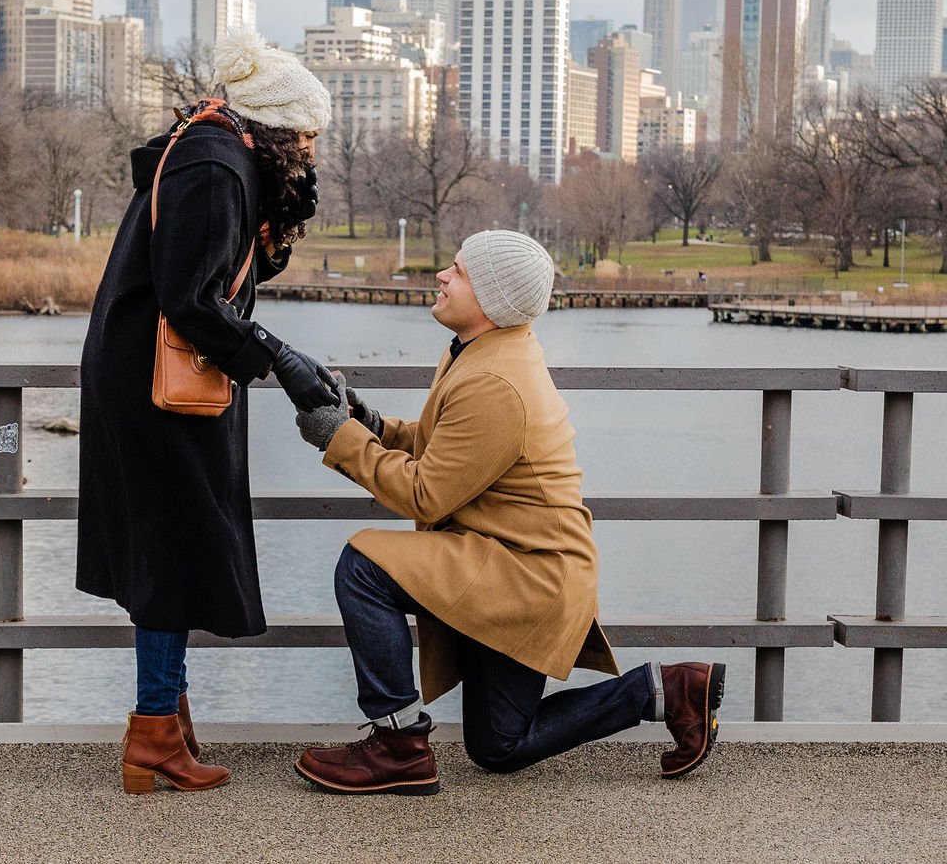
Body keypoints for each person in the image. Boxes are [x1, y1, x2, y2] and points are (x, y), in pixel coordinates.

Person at [287, 230, 724, 795]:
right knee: (498, 747)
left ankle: (396, 744)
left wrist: (341, 440)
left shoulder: (495, 380)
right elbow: (443, 443)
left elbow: (426, 494)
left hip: (527, 575)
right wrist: (368, 423)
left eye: (459, 271)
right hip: (509, 563)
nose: (443, 276)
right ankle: (665, 691)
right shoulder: (479, 351)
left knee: (363, 565)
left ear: (491, 301)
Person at [76, 28, 339, 795]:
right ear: (280, 127)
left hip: (148, 375)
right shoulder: (216, 166)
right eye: (310, 134)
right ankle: (153, 730)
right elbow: (193, 297)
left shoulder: (216, 151)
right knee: (170, 543)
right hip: (158, 385)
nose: (315, 147)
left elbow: (208, 269)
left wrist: (276, 221)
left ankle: (167, 716)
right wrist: (277, 358)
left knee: (171, 541)